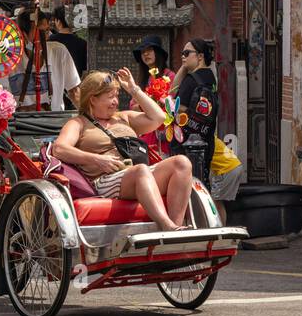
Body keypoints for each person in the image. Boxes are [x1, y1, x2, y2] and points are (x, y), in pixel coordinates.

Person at [52, 69, 195, 231]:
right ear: (93, 99)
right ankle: (167, 225)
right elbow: (59, 149)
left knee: (181, 163)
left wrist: (134, 89)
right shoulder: (78, 123)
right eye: (110, 97)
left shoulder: (123, 117)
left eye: (117, 96)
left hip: (139, 174)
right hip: (105, 179)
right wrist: (96, 159)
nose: (115, 102)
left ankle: (176, 229)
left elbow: (159, 118)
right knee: (140, 171)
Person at [12, 9, 80, 112]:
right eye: (39, 32)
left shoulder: (59, 51)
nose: (45, 36)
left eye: (47, 31)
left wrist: (88, 118)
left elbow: (74, 91)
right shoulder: (10, 58)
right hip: (20, 123)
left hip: (55, 120)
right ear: (23, 34)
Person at [171, 38, 219, 172]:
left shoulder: (191, 80)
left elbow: (172, 95)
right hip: (206, 141)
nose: (182, 56)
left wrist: (172, 105)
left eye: (186, 53)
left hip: (185, 143)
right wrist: (185, 65)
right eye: (182, 53)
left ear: (200, 56)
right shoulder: (210, 78)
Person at [50, 5, 88, 75]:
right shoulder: (82, 43)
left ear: (58, 21)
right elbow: (84, 68)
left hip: (55, 82)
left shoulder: (50, 40)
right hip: (75, 83)